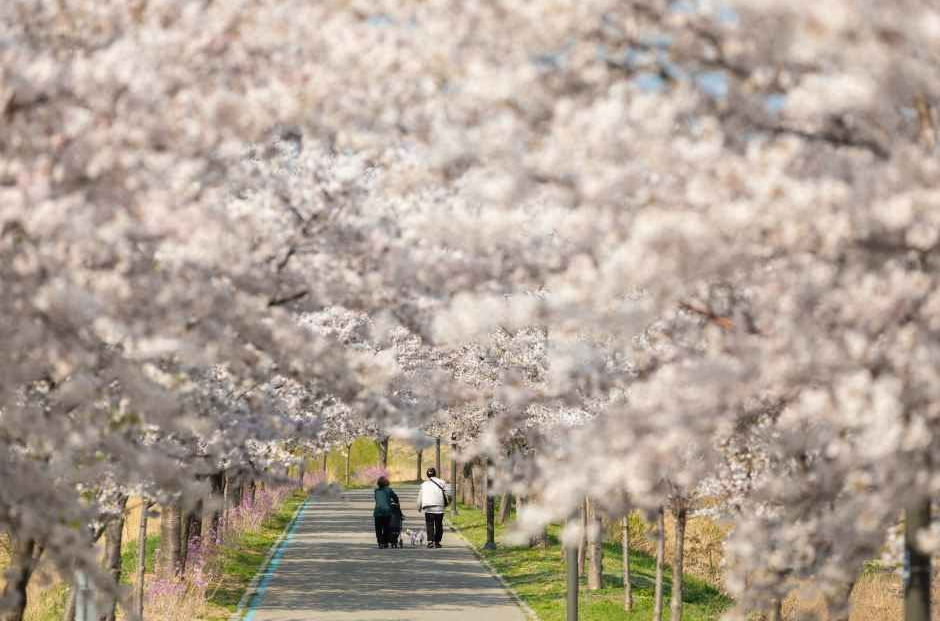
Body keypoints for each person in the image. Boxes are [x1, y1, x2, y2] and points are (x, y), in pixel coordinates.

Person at [417, 467, 450, 548]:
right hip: (439, 507)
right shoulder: (442, 482)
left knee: (429, 525)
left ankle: (430, 541)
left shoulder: (424, 484)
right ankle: (437, 542)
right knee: (439, 525)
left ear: (427, 475)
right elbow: (449, 493)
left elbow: (420, 496)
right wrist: (449, 502)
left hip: (428, 508)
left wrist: (419, 506)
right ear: (435, 473)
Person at [373, 476, 400, 549]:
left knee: (378, 529)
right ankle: (385, 542)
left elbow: (377, 499)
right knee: (386, 528)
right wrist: (396, 503)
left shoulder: (376, 491)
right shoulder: (389, 490)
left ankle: (380, 543)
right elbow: (395, 497)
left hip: (377, 512)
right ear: (387, 483)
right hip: (387, 512)